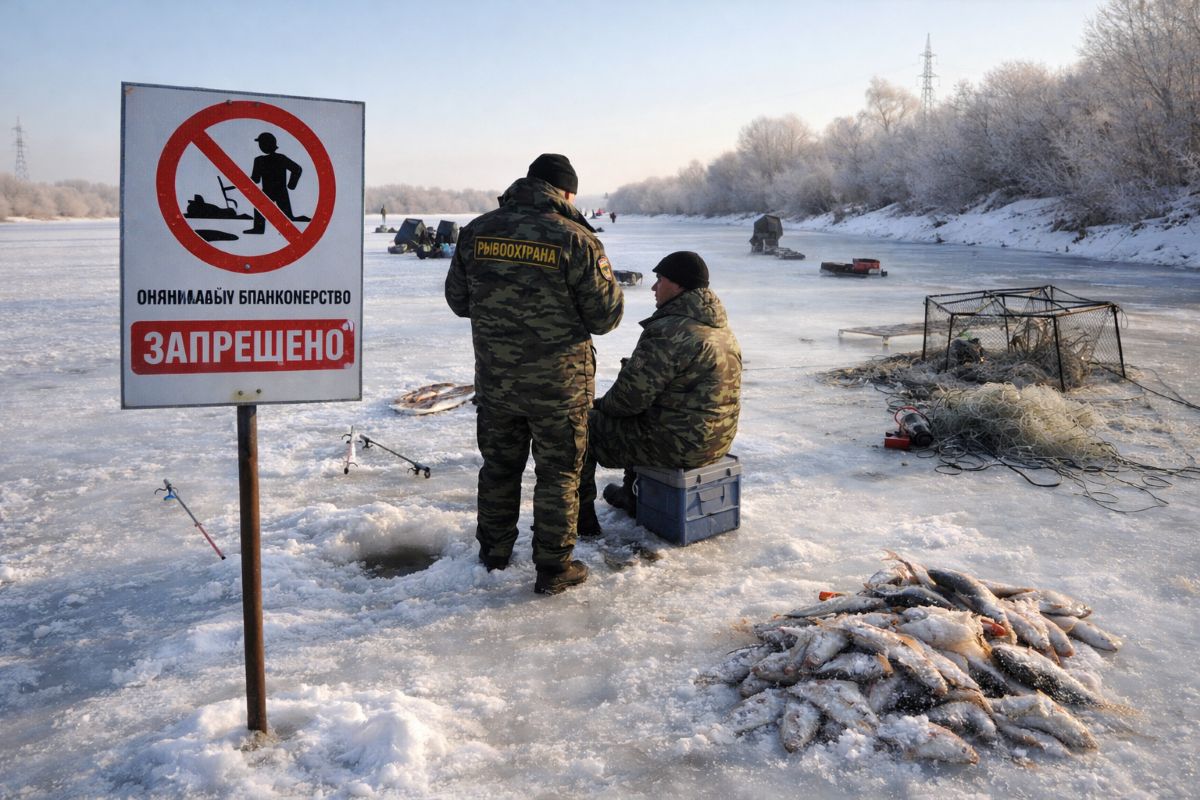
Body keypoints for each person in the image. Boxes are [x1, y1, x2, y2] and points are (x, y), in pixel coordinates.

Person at [445, 154, 624, 595]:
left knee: (499, 468)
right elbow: (605, 317)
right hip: (559, 387)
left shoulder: (477, 231)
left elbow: (458, 300)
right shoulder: (576, 239)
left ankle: (494, 553)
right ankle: (552, 566)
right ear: (565, 192)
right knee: (559, 473)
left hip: (498, 383)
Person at [579, 251, 741, 524]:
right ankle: (633, 496)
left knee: (581, 427)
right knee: (647, 416)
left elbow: (627, 401)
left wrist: (595, 407)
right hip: (717, 440)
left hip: (681, 445)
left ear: (678, 284)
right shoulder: (720, 327)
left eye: (660, 279)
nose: (654, 287)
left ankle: (580, 518)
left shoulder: (670, 330)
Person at [243, 132, 305, 235]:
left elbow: (255, 179)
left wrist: (244, 182)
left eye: (261, 143)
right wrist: (291, 185)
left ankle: (259, 229)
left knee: (261, 209)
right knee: (288, 217)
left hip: (268, 192)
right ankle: (261, 229)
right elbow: (297, 169)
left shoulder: (259, 160)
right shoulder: (280, 158)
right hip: (281, 191)